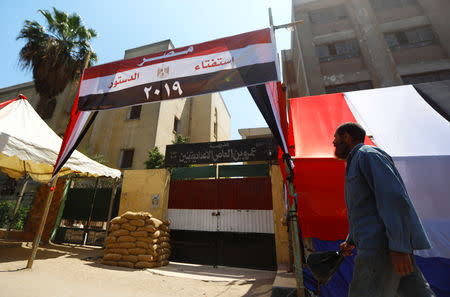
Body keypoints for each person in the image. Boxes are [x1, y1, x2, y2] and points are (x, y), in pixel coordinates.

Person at [333, 122, 435, 297]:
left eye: (335, 139)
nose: (333, 143)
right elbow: (364, 208)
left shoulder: (368, 155)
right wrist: (352, 239)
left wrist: (399, 246)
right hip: (387, 246)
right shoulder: (356, 161)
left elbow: (393, 199)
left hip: (381, 249)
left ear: (347, 136)